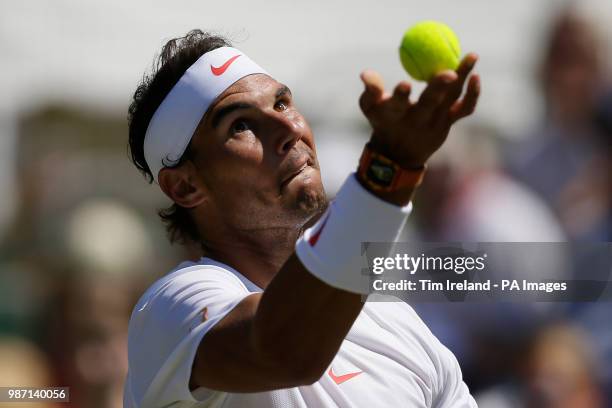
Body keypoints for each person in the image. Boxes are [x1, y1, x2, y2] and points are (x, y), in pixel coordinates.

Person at [123, 30, 480, 407]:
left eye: (282, 104)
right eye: (240, 125)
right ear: (184, 186)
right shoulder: (170, 308)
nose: (290, 130)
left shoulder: (400, 328)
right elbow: (283, 350)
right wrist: (388, 170)